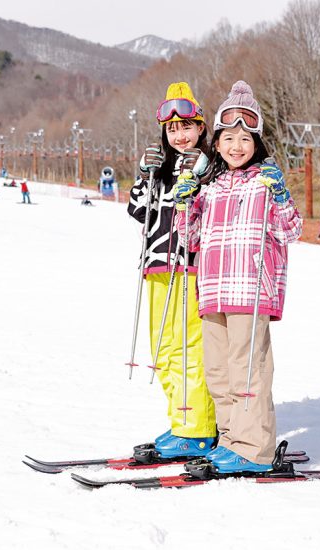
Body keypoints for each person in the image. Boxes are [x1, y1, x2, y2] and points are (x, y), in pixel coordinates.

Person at [174, 81, 302, 474]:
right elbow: (191, 238)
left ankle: (254, 449)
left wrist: (280, 195)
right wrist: (185, 205)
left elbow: (291, 230)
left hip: (250, 290)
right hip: (212, 290)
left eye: (245, 139)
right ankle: (230, 439)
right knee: (219, 371)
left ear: (257, 142)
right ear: (217, 142)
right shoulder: (210, 186)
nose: (236, 146)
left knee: (249, 370)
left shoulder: (265, 182)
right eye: (228, 138)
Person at [127, 81, 218, 460]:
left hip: (191, 267)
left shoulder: (211, 166)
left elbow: (217, 207)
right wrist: (146, 175)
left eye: (187, 127)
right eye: (172, 129)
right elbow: (136, 210)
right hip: (158, 268)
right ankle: (182, 422)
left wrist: (199, 176)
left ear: (200, 127)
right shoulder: (159, 168)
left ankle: (197, 428)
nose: (180, 136)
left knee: (189, 349)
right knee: (164, 350)